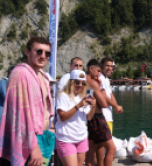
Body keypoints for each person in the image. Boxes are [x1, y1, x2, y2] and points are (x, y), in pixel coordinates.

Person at [0, 36, 55, 166]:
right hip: (30, 140)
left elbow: (45, 109)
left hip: (45, 135)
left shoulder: (43, 75)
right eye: (38, 51)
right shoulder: (20, 74)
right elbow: (20, 114)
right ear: (27, 52)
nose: (43, 56)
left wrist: (51, 129)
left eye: (47, 53)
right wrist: (33, 147)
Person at [55, 70, 96, 166]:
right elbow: (62, 117)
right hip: (66, 139)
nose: (80, 85)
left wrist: (93, 106)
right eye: (77, 82)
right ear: (71, 82)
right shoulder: (63, 97)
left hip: (81, 137)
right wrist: (78, 106)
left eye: (83, 83)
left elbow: (89, 118)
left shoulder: (81, 97)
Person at [85, 59, 116, 166]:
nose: (99, 74)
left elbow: (89, 99)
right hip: (97, 118)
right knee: (111, 148)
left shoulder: (83, 80)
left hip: (88, 118)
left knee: (91, 150)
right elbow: (103, 104)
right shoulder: (93, 83)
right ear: (91, 69)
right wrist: (98, 87)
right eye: (98, 71)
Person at [99, 57, 124, 134]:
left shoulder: (106, 79)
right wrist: (116, 106)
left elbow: (110, 94)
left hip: (108, 117)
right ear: (101, 66)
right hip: (102, 117)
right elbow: (103, 96)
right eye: (107, 66)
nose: (110, 68)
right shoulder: (100, 78)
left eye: (112, 66)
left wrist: (116, 106)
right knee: (105, 144)